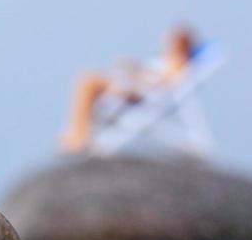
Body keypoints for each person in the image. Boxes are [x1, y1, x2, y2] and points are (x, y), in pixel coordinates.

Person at [57, 24, 197, 153]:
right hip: (137, 89)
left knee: (88, 81)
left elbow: (162, 84)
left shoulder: (177, 64)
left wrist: (140, 76)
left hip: (140, 94)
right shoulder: (167, 61)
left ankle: (80, 134)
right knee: (87, 80)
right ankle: (78, 132)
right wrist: (134, 68)